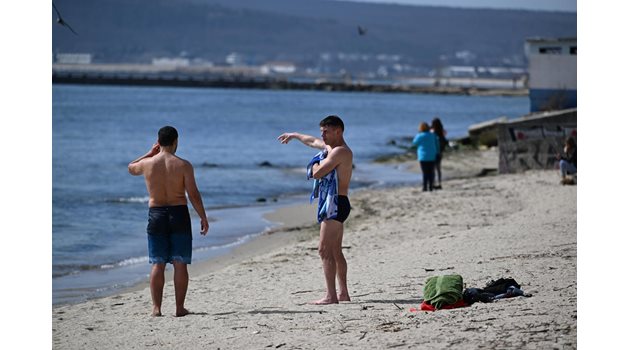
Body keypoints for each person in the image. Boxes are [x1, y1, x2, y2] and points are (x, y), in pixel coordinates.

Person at [128, 126, 209, 317]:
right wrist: (203, 217)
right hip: (179, 214)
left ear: (158, 142)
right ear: (175, 142)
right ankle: (179, 309)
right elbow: (194, 195)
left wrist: (149, 153)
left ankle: (156, 308)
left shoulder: (147, 164)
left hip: (156, 215)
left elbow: (131, 168)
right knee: (180, 263)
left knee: (157, 263)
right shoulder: (183, 165)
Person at [277, 115, 353, 305]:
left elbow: (318, 172)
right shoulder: (330, 148)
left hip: (335, 204)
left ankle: (330, 296)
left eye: (326, 132)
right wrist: (294, 135)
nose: (323, 136)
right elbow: (312, 141)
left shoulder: (340, 152)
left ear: (338, 131)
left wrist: (314, 163)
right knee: (335, 250)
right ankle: (343, 293)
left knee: (324, 250)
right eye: (322, 132)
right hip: (336, 203)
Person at [412, 122, 439, 191]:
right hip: (432, 155)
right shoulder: (433, 135)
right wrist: (438, 152)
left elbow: (414, 143)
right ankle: (430, 186)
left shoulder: (420, 135)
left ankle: (425, 187)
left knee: (425, 172)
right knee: (431, 172)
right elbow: (437, 144)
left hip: (423, 156)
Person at [431, 117, 448, 190]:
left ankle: (433, 183)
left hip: (433, 152)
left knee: (433, 169)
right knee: (438, 168)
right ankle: (439, 183)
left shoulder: (432, 131)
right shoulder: (442, 131)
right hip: (440, 152)